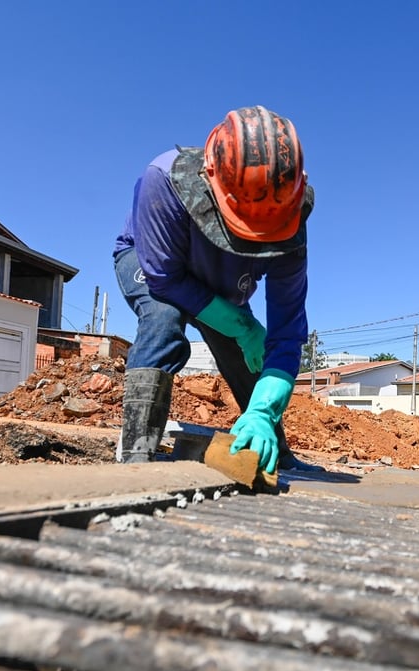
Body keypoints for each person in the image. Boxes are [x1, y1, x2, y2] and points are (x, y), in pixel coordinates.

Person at [113, 105, 315, 473]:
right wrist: (242, 324)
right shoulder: (164, 179)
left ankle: (274, 449)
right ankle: (135, 452)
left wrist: (263, 411)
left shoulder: (290, 216)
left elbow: (287, 335)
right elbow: (165, 277)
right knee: (163, 318)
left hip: (220, 280)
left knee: (248, 358)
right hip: (155, 263)